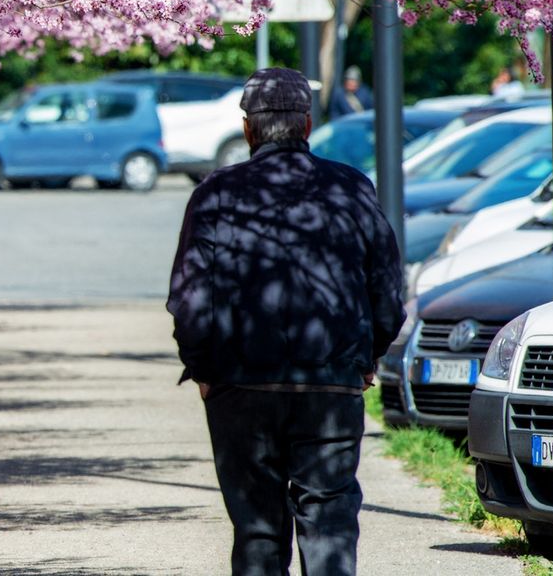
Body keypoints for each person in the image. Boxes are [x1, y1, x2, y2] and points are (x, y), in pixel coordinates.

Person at [167, 67, 405, 576]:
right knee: (329, 519)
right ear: (308, 125)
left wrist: (205, 368)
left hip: (241, 384)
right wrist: (369, 356)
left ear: (249, 129)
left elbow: (189, 299)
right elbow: (386, 288)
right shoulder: (350, 188)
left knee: (257, 528)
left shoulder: (216, 193)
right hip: (330, 382)